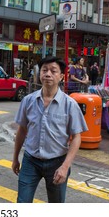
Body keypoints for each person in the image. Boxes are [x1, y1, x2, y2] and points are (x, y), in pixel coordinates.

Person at [12, 56, 88, 203]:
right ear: (39, 74)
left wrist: (65, 167)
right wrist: (15, 158)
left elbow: (76, 137)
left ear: (61, 76)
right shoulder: (28, 100)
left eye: (53, 71)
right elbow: (22, 130)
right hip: (30, 161)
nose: (48, 74)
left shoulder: (70, 104)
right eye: (44, 70)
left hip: (57, 162)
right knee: (22, 202)